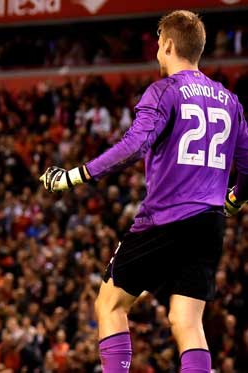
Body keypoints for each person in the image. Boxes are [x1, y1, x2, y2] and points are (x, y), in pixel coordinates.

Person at [39, 10, 248, 372]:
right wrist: (234, 198)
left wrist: (75, 176)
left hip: (165, 219)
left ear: (167, 45)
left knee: (110, 303)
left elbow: (134, 146)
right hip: (210, 222)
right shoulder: (230, 101)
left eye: (158, 44)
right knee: (187, 321)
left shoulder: (164, 90)